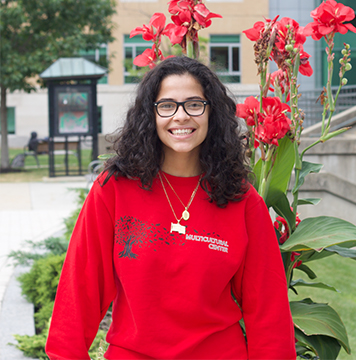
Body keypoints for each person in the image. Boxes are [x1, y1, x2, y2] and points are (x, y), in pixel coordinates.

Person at [45, 56, 296, 360]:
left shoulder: (241, 200)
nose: (180, 116)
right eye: (167, 105)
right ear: (150, 115)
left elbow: (269, 313)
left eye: (194, 104)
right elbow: (78, 293)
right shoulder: (114, 190)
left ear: (211, 113)